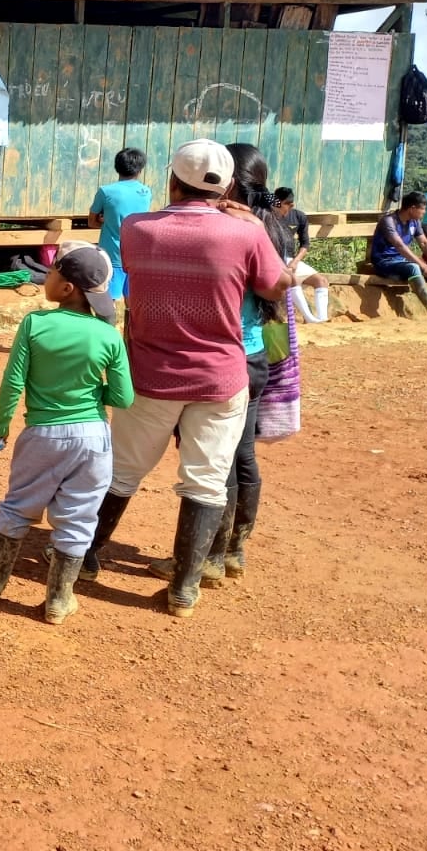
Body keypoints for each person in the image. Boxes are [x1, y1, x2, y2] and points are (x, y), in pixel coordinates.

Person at [80, 139, 292, 619]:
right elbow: (276, 286)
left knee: (122, 472)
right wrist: (255, 225)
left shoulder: (137, 229)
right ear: (228, 187)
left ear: (172, 181)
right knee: (207, 480)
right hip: (221, 378)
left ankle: (86, 557)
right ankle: (184, 588)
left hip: (150, 376)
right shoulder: (246, 235)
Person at [146, 145, 297, 588]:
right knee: (241, 454)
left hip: (219, 353)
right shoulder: (272, 226)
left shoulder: (233, 226)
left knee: (214, 461)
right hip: (257, 352)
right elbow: (277, 290)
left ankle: (207, 556)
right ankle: (233, 550)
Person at [0, 241, 133, 624]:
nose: (46, 276)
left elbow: (13, 383)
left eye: (52, 271)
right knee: (80, 517)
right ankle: (59, 601)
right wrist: (96, 392)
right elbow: (124, 397)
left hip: (43, 434)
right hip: (94, 439)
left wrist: (0, 428)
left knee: (17, 507)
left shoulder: (35, 323)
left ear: (67, 288)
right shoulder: (109, 335)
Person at [87, 148, 151, 301]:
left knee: (108, 303)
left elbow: (91, 221)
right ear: (140, 169)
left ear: (117, 167)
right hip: (135, 256)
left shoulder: (105, 191)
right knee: (132, 303)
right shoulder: (146, 191)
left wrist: (106, 221)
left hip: (111, 257)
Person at [273, 187, 329, 323]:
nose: (277, 208)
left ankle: (322, 319)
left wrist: (295, 262)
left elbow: (305, 244)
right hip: (274, 259)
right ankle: (310, 319)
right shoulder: (268, 216)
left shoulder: (299, 216)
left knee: (321, 281)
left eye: (281, 205)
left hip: (292, 259)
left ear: (290, 205)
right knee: (294, 279)